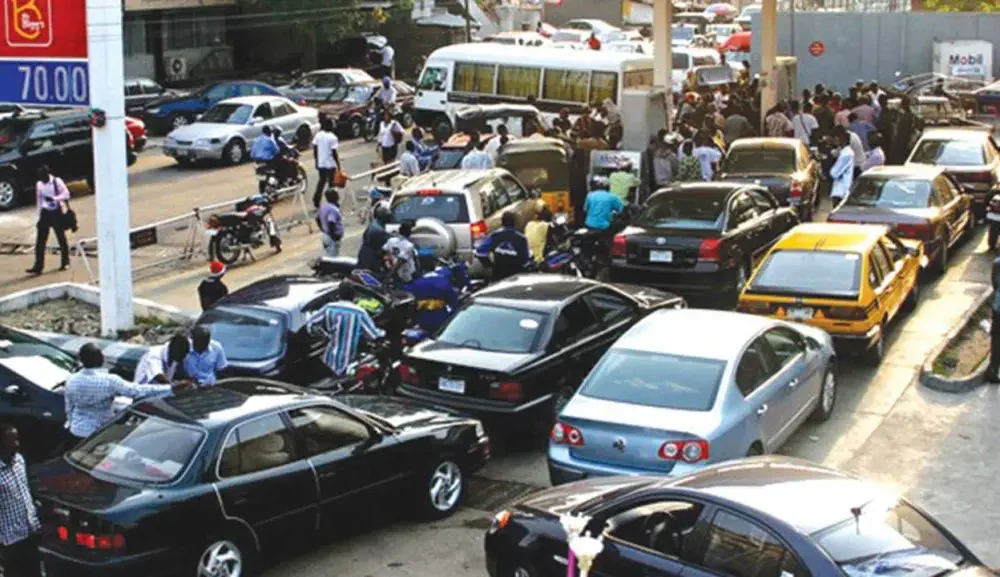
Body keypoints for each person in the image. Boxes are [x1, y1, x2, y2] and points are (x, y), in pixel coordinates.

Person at [65, 343, 185, 438]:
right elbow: (137, 390)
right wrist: (171, 388)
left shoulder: (71, 379)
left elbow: (69, 408)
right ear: (98, 359)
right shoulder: (109, 381)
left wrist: (71, 424)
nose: (104, 356)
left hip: (75, 431)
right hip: (97, 434)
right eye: (101, 354)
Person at [307, 282, 385, 377]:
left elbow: (311, 325)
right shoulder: (359, 312)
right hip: (347, 363)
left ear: (339, 295)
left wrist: (325, 334)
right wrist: (383, 333)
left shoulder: (329, 307)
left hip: (328, 360)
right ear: (353, 296)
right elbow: (373, 335)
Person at [0, 424, 41, 577]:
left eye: (16, 440)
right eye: (11, 441)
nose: (16, 444)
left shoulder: (19, 461)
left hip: (30, 530)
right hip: (10, 540)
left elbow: (25, 490)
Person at [26, 165, 71, 275]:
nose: (42, 180)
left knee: (61, 238)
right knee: (40, 241)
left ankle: (65, 262)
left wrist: (55, 198)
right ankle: (38, 266)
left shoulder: (56, 181)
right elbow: (39, 199)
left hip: (56, 212)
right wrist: (38, 215)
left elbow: (66, 194)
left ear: (47, 175)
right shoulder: (39, 184)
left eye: (43, 177)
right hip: (45, 213)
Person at [475, 211, 531, 282]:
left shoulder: (494, 236)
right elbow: (525, 261)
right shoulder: (522, 239)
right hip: (516, 279)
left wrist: (490, 265)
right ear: (515, 223)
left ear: (502, 222)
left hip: (498, 278)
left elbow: (480, 252)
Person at [312, 118, 341, 208]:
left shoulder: (318, 135)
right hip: (330, 163)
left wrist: (316, 161)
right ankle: (332, 202)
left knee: (321, 182)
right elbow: (334, 153)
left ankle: (316, 200)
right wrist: (338, 164)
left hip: (321, 163)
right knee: (331, 184)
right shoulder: (333, 137)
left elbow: (315, 149)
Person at [383, 220, 418, 285]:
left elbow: (385, 253)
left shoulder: (391, 240)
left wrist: (388, 266)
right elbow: (400, 261)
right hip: (406, 276)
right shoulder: (409, 245)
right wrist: (389, 276)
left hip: (394, 273)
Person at [357, 204, 391, 272]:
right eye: (388, 216)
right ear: (383, 217)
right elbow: (388, 241)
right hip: (370, 257)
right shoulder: (378, 230)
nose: (390, 218)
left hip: (367, 253)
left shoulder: (375, 223)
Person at [829, 126, 855, 205]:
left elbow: (834, 173)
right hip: (840, 190)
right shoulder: (845, 152)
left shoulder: (846, 154)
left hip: (841, 191)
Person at [315, 189, 344, 257]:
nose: (338, 196)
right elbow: (331, 222)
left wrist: (323, 229)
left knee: (330, 256)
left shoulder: (323, 207)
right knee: (333, 259)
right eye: (337, 195)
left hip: (325, 235)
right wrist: (333, 236)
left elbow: (317, 219)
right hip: (331, 238)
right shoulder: (332, 209)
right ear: (335, 197)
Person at [891, 95, 919, 165]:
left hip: (904, 139)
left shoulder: (909, 115)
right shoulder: (905, 114)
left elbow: (911, 127)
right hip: (902, 139)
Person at [987, 255, 1000, 383]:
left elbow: (994, 284)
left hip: (998, 307)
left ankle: (993, 369)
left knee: (996, 338)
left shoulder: (997, 263)